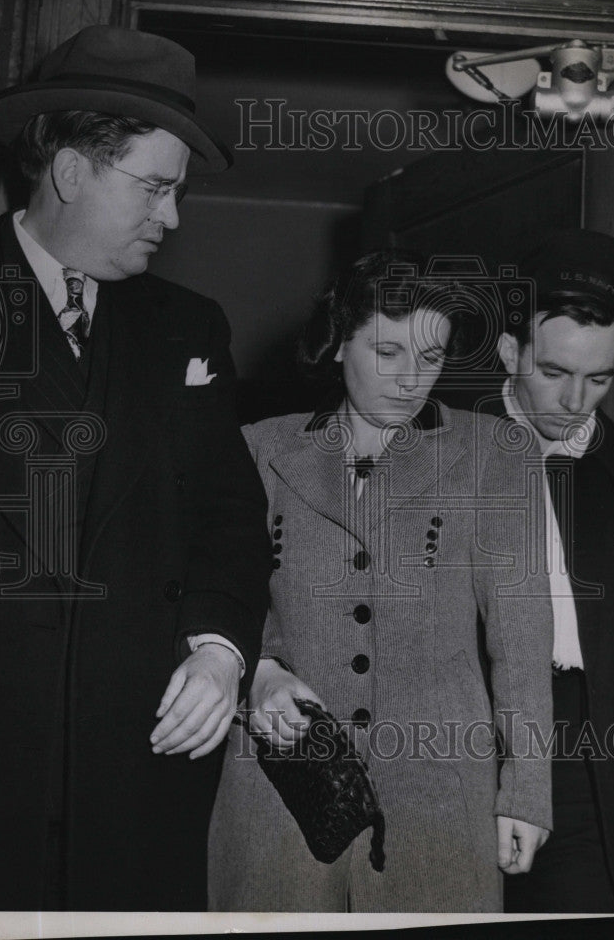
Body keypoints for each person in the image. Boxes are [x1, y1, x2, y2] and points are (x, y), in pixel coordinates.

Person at [0, 25, 272, 911]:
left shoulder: (190, 326)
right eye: (155, 187)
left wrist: (221, 654)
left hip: (143, 766)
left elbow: (229, 518)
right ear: (70, 171)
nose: (172, 218)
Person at [207, 250, 554, 912]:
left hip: (441, 802)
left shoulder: (494, 456)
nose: (409, 379)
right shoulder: (256, 449)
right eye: (387, 352)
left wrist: (527, 790)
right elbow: (220, 594)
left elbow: (523, 637)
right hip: (279, 789)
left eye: (430, 356)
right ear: (338, 344)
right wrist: (261, 669)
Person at [451, 230, 614, 913]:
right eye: (553, 372)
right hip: (460, 733)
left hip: (582, 749)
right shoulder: (440, 445)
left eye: (597, 378)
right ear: (511, 351)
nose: (574, 400)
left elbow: (601, 638)